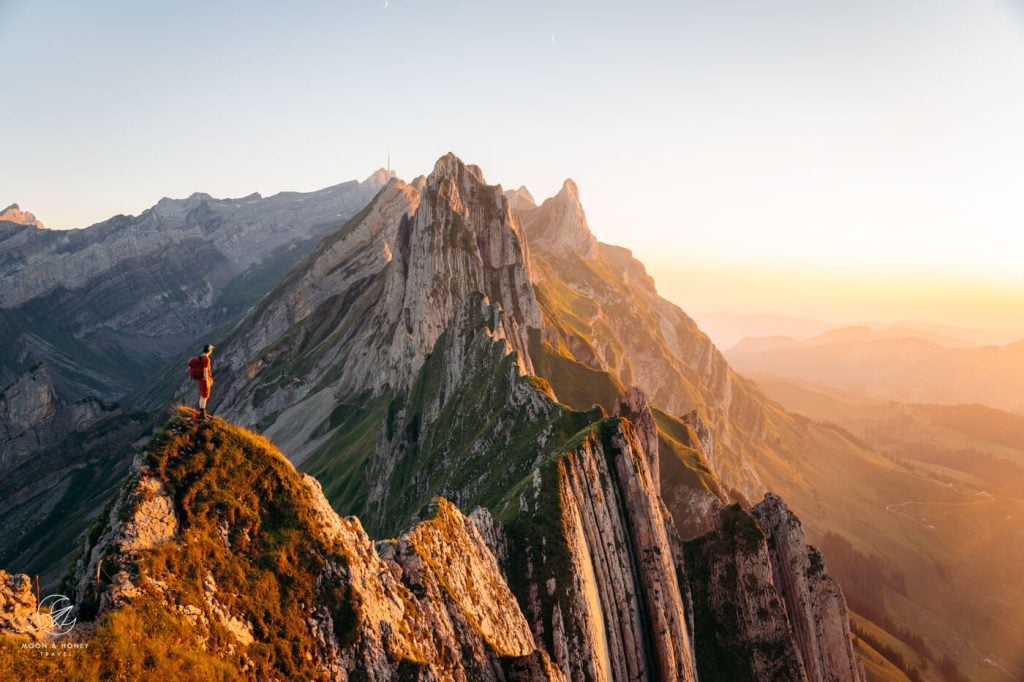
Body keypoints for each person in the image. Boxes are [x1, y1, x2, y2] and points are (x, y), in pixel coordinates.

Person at [188, 344, 215, 420]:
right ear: (209, 350)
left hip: (200, 379)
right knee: (205, 396)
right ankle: (203, 414)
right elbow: (205, 370)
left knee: (202, 396)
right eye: (211, 349)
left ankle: (202, 412)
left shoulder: (200, 357)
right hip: (204, 380)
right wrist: (207, 381)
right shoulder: (206, 359)